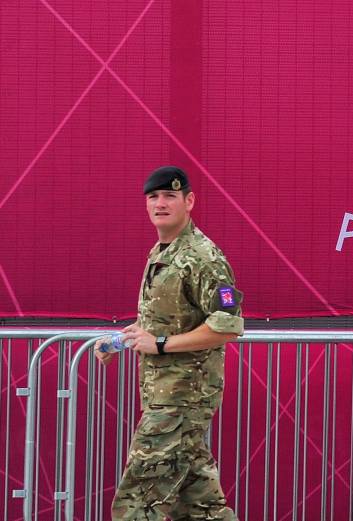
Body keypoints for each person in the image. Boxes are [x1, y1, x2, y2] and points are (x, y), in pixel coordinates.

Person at [95, 166, 243, 520]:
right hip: (166, 399)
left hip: (180, 403)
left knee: (137, 502)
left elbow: (227, 326)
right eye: (153, 197)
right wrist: (121, 339)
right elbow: (159, 321)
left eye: (170, 196)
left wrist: (159, 343)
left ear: (189, 201)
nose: (160, 204)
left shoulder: (204, 258)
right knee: (201, 508)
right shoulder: (163, 252)